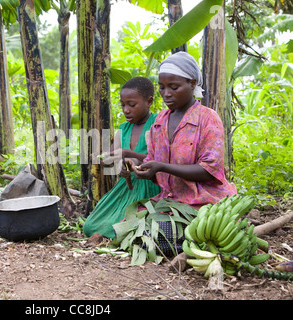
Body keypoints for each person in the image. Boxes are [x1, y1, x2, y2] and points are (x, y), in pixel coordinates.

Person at [128, 52, 237, 257]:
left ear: (192, 84)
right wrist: (140, 168)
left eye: (174, 87)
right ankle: (185, 243)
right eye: (161, 87)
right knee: (132, 227)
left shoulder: (207, 118)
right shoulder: (160, 120)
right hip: (170, 202)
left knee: (161, 236)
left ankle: (192, 244)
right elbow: (154, 164)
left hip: (201, 203)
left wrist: (162, 166)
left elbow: (209, 170)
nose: (166, 93)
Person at [83, 77, 161, 240]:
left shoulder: (158, 124)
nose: (126, 110)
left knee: (132, 228)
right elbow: (110, 159)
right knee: (90, 226)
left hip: (150, 187)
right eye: (123, 105)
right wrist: (104, 158)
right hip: (126, 188)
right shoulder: (124, 129)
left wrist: (127, 154)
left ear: (149, 101)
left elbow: (160, 159)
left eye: (132, 105)